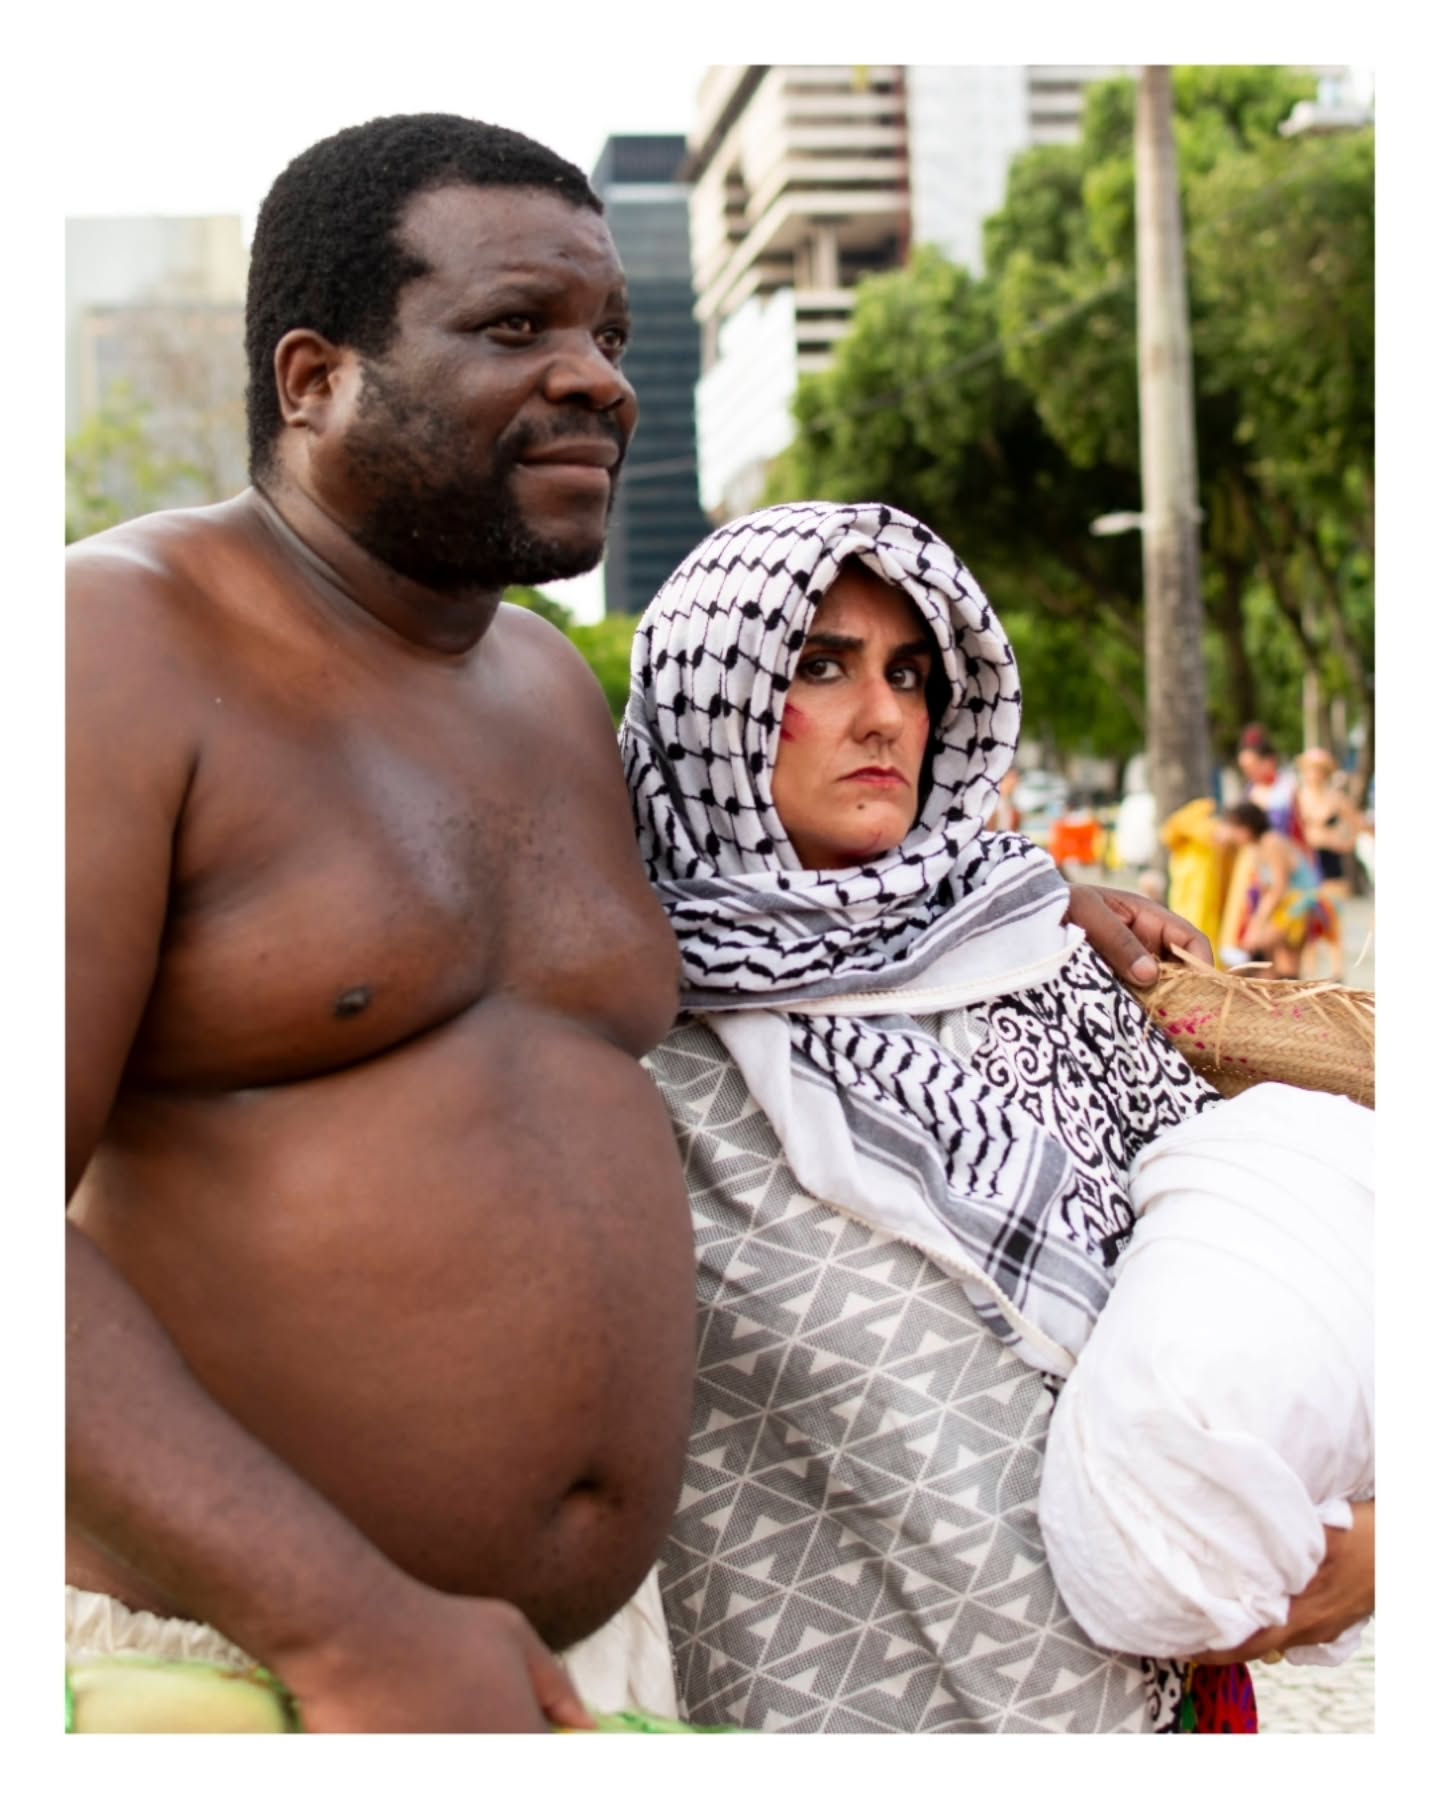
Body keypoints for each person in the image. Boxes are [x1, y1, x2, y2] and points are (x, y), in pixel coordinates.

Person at [64, 114, 1200, 1735]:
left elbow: (757, 915)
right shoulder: (114, 644)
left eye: (612, 331)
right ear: (311, 377)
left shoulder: (537, 685)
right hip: (244, 1668)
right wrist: (339, 1621)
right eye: (517, 327)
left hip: (599, 1675)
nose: (600, 377)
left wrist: (1015, 899)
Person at [621, 502, 1372, 1733]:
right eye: (820, 665)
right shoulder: (622, 1042)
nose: (883, 716)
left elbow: (1285, 1291)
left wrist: (1384, 1545)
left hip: (1144, 1708)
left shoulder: (1050, 966)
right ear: (711, 696)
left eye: (911, 674)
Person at [1215, 802, 1337, 980]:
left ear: (1248, 826)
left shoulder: (1271, 842)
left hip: (1299, 903)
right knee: (1277, 961)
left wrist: (1257, 924)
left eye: (1235, 828)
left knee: (1263, 947)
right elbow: (1266, 891)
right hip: (1285, 905)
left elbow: (1279, 887)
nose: (1233, 835)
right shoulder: (1254, 849)